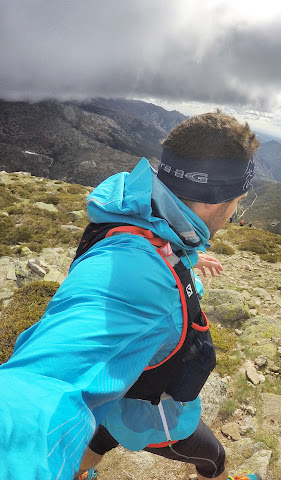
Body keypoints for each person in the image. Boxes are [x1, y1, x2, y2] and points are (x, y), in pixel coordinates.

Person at [0, 112, 262, 480]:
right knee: (213, 460)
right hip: (147, 410)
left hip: (115, 391)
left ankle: (77, 472)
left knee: (97, 439)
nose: (234, 213)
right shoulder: (138, 280)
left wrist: (185, 256)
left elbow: (150, 250)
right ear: (217, 199)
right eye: (237, 201)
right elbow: (42, 388)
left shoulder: (139, 213)